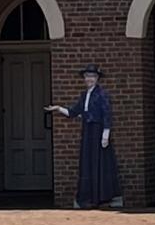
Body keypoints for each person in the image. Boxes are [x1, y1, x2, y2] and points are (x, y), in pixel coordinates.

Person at [48, 64, 120, 208]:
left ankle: (103, 197)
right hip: (88, 130)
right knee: (87, 162)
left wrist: (106, 133)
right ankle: (89, 198)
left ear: (97, 78)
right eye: (87, 76)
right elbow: (74, 111)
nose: (89, 79)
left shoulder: (102, 94)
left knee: (100, 162)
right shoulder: (83, 95)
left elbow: (107, 113)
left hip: (98, 130)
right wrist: (58, 108)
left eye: (92, 77)